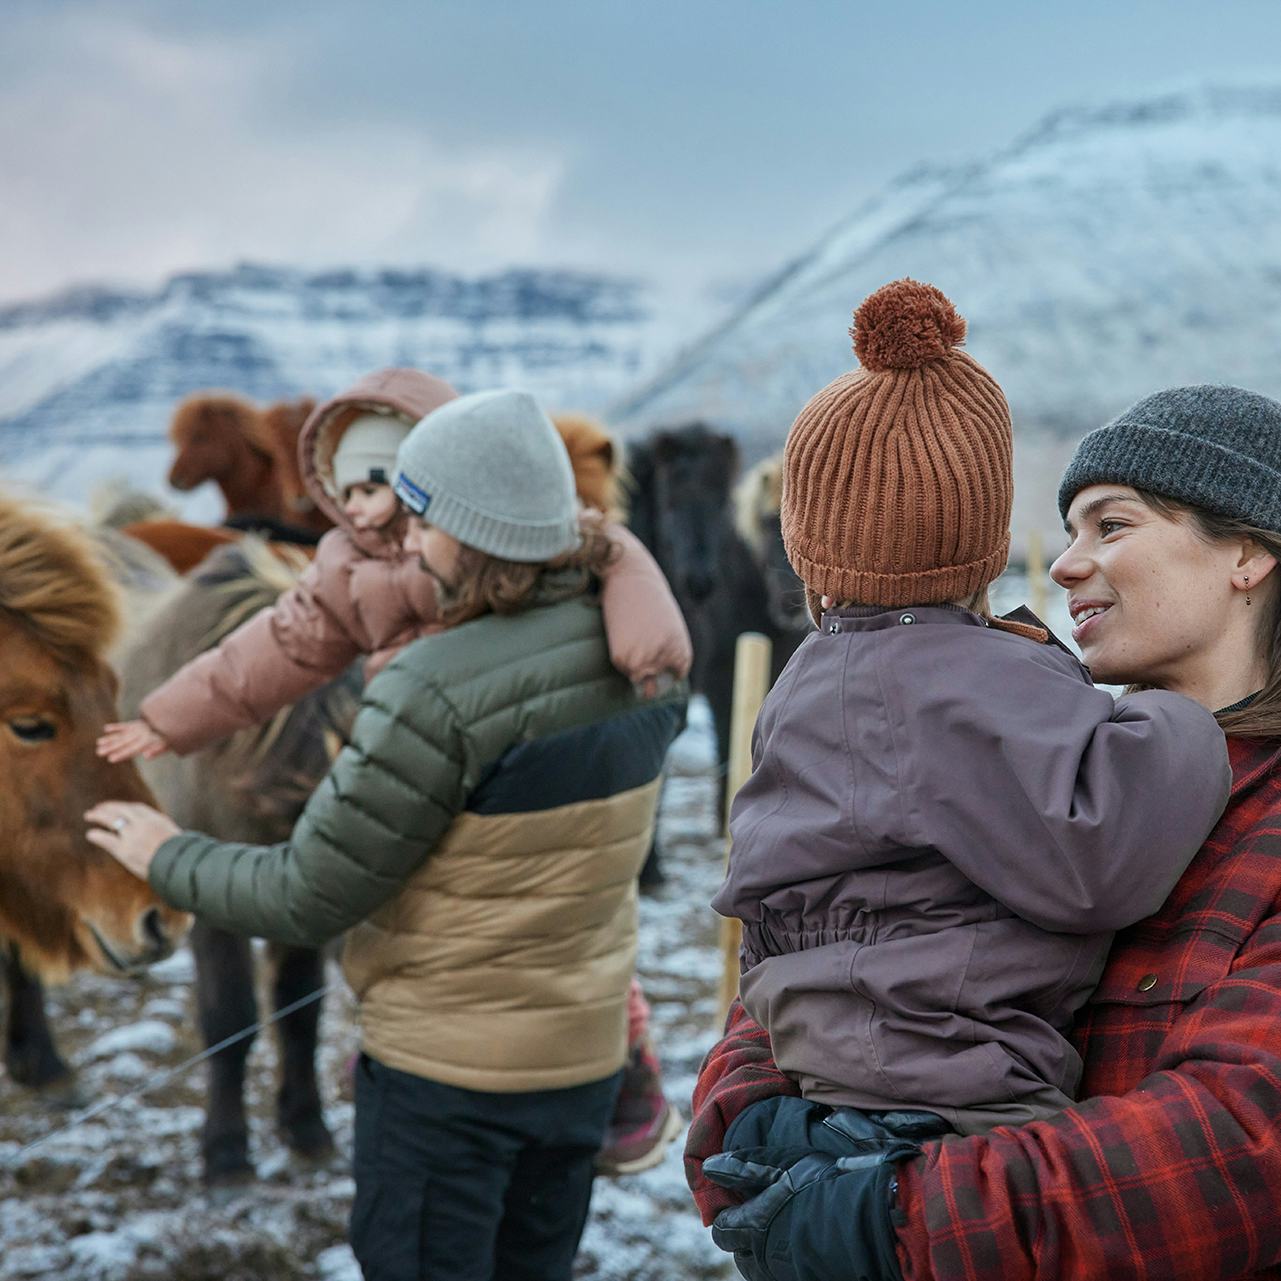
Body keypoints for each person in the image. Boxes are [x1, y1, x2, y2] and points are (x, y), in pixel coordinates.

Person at [87, 388, 687, 1281]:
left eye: (425, 515)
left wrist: (161, 853)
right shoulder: (636, 654)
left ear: (475, 529)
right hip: (579, 1073)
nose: (404, 537)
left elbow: (307, 894)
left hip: (445, 1092)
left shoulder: (429, 690)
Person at [686, 380, 1281, 1281]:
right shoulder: (1026, 757)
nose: (1065, 566)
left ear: (1245, 551)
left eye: (1109, 526)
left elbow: (1238, 1141)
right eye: (1068, 533)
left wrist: (895, 1217)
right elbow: (815, 950)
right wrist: (752, 1119)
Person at [714, 277, 1228, 1140]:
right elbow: (1094, 854)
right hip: (956, 1079)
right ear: (979, 531)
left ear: (808, 541)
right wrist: (1177, 716)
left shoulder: (805, 681)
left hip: (813, 1062)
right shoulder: (970, 681)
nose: (1068, 564)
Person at [98, 369, 690, 763]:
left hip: (506, 728)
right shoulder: (345, 570)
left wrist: (651, 659)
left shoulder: (492, 532)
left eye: (375, 485)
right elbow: (271, 652)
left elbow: (617, 557)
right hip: (405, 743)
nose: (355, 507)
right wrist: (168, 720)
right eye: (344, 490)